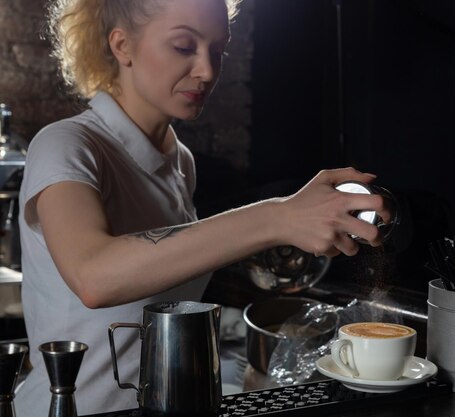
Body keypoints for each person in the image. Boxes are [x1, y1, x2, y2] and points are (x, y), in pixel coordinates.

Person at [15, 0, 390, 415]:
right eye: (183, 46)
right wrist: (278, 217)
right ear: (122, 46)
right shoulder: (66, 145)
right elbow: (94, 276)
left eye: (218, 50)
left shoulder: (180, 161)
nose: (207, 71)